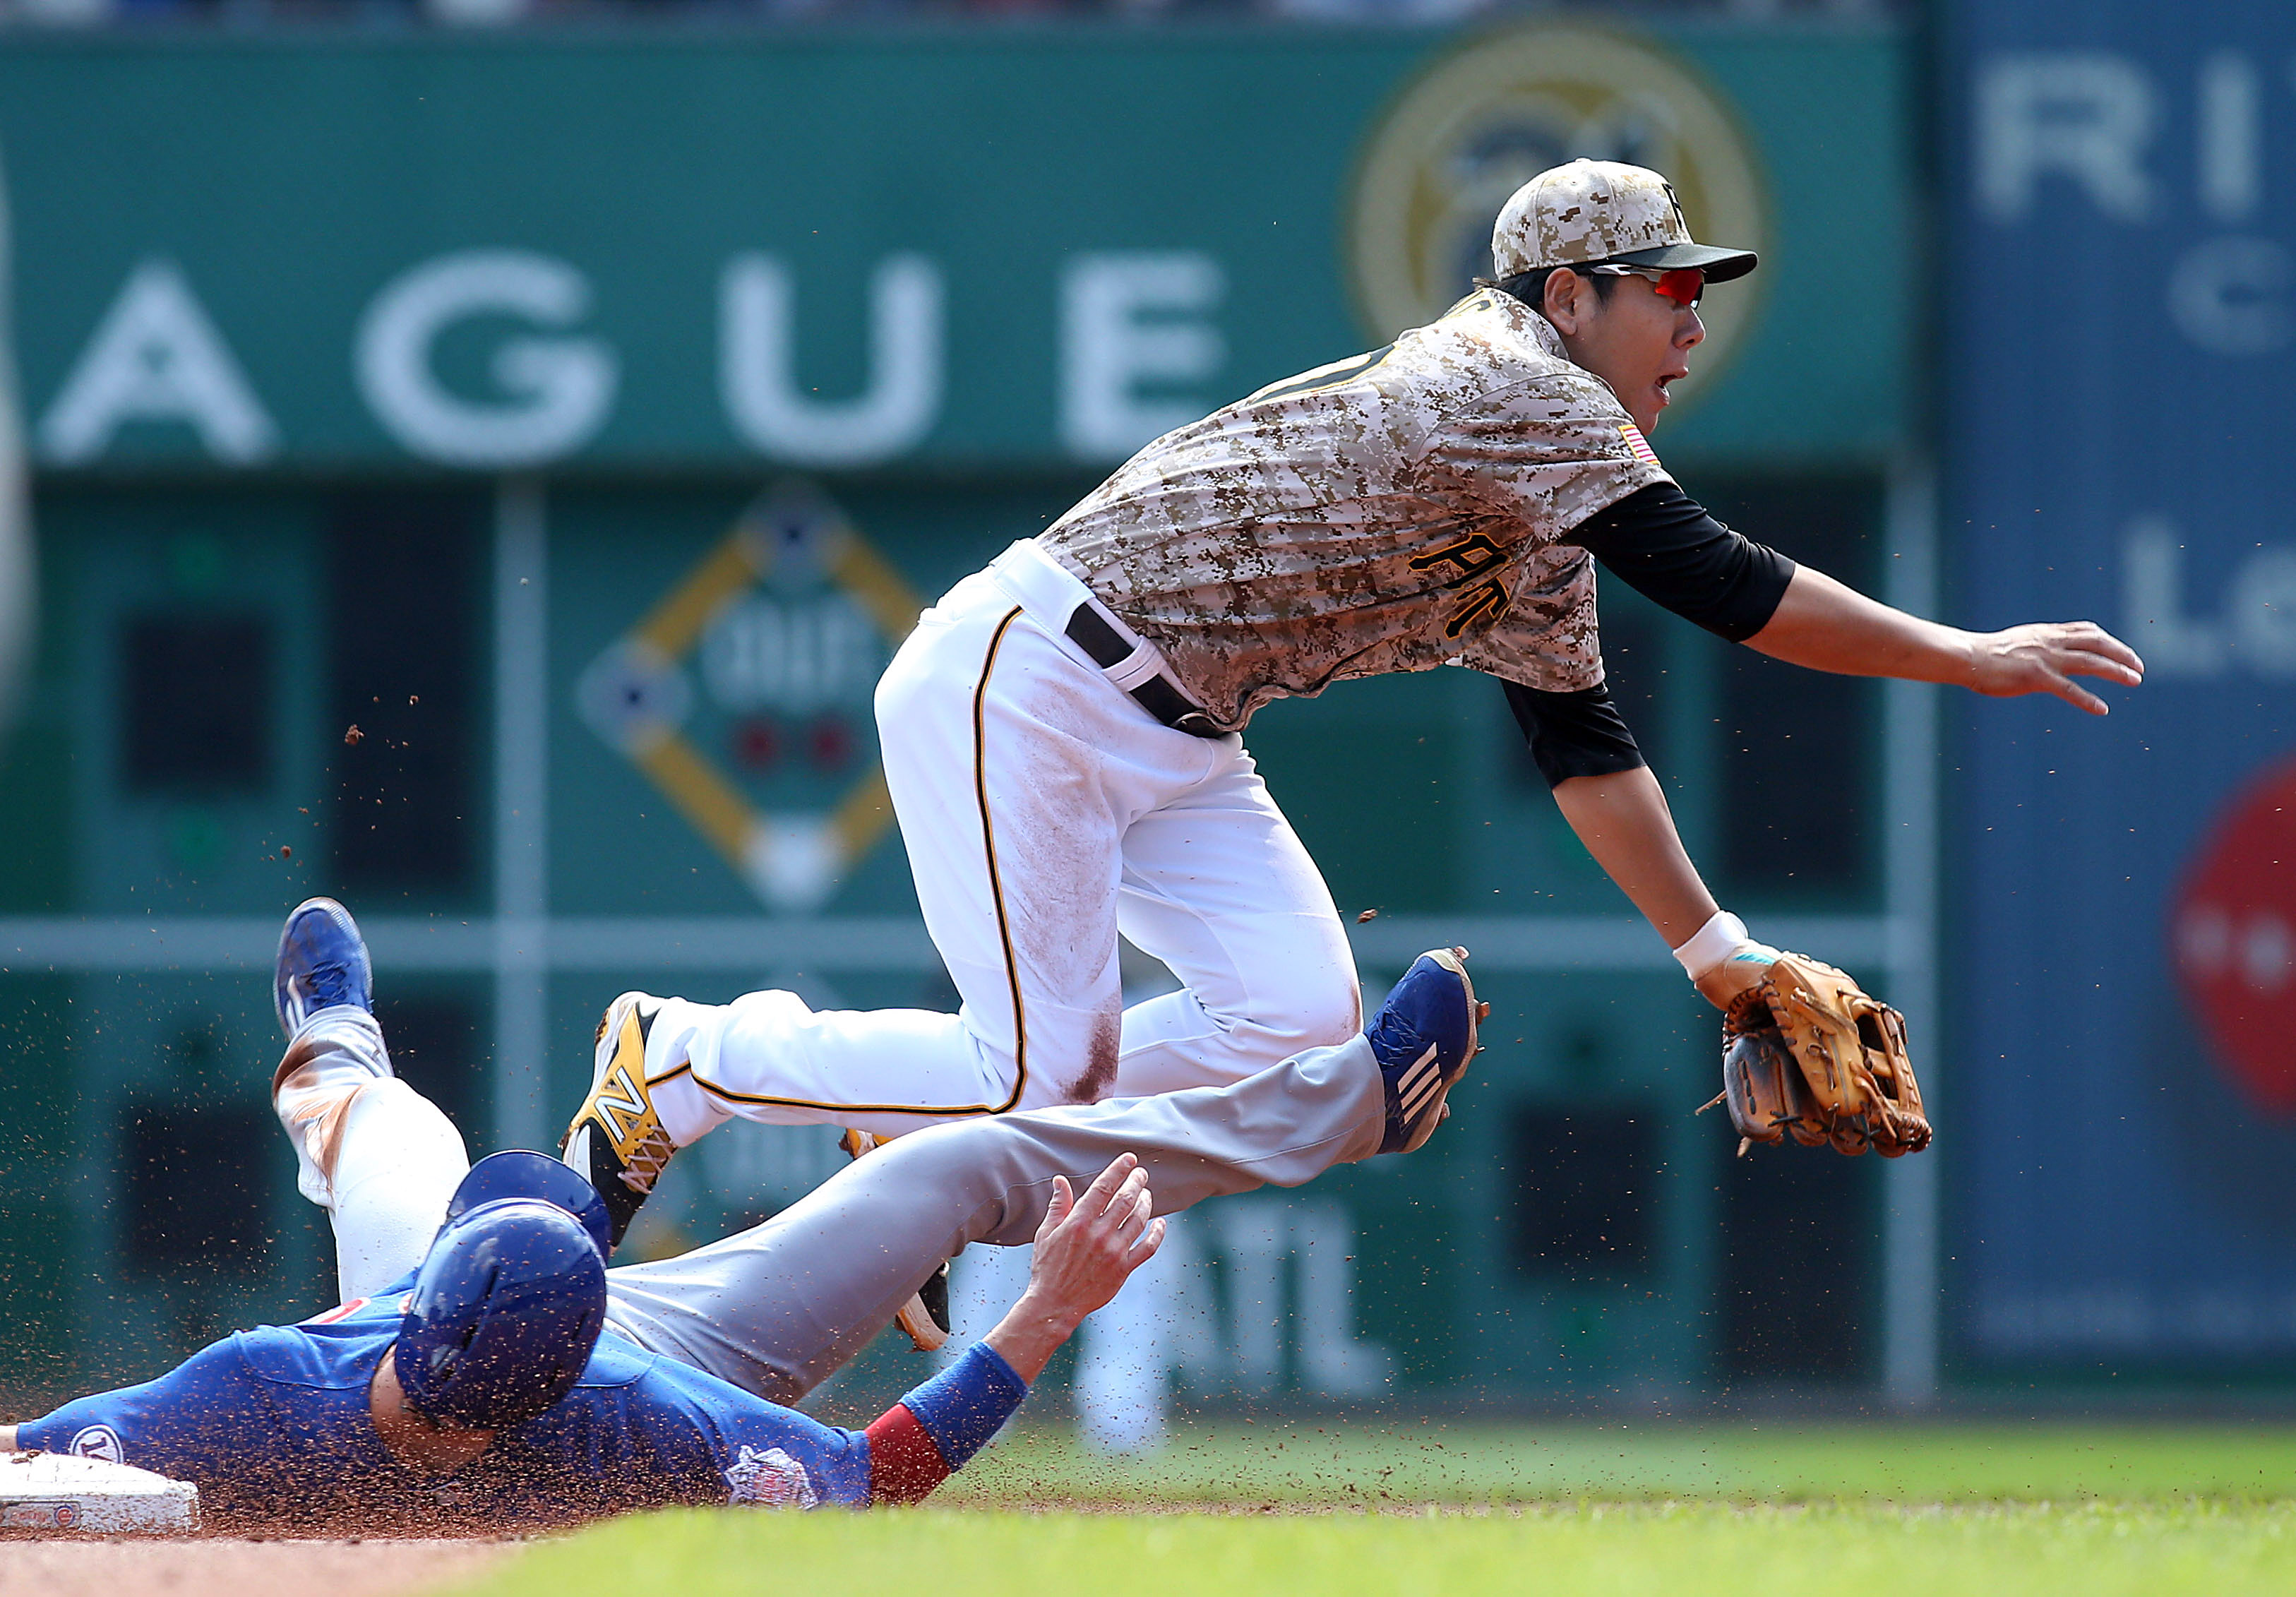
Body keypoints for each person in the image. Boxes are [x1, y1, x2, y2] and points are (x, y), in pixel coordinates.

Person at [559, 158, 2143, 1315]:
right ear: (1564, 298)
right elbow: (1725, 587)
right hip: (1031, 674)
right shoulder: (1509, 378)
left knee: (1303, 1039)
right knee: (1043, 1060)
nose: (1690, 324)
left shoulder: (1547, 508)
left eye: (1695, 295)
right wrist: (1965, 655)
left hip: (1182, 735)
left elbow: (1583, 744)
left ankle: (918, 1133)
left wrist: (1718, 960)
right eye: (1665, 291)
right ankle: (682, 1057)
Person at [1, 897, 1481, 1524]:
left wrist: (1043, 1304)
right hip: (506, 1312)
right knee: (383, 1120)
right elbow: (874, 1473)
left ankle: (1351, 1104)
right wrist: (1044, 1311)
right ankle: (336, 1035)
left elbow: (865, 1477)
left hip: (636, 1340)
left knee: (952, 1168)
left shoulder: (605, 1409)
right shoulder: (295, 1389)